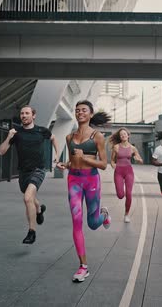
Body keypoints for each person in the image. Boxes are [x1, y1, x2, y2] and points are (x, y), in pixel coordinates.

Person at [56, 100, 111, 283]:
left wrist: (85, 159)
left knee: (93, 223)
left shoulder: (97, 136)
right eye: (77, 110)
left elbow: (103, 164)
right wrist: (67, 164)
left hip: (91, 179)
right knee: (76, 221)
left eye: (84, 110)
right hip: (73, 180)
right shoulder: (69, 137)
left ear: (91, 114)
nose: (80, 112)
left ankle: (103, 215)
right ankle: (83, 266)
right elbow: (73, 161)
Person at [0, 106, 60, 244]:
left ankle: (32, 232)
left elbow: (54, 138)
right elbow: (1, 152)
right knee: (30, 198)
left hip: (38, 169)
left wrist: (56, 155)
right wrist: (9, 137)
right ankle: (39, 210)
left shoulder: (41, 131)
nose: (24, 115)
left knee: (27, 198)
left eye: (27, 113)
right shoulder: (16, 133)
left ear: (34, 115)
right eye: (22, 113)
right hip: (23, 171)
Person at [110, 128, 143, 223]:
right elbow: (112, 160)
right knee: (120, 195)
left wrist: (138, 160)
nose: (123, 135)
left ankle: (127, 214)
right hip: (118, 172)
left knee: (129, 194)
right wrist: (113, 165)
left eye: (125, 134)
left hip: (129, 172)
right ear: (120, 137)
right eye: (121, 134)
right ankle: (121, 193)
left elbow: (140, 160)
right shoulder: (116, 147)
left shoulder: (133, 148)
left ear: (128, 135)